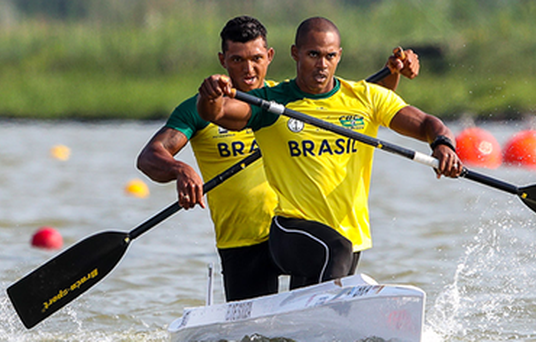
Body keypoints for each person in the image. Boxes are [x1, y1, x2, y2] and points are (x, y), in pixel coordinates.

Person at [137, 16, 420, 301]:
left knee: (322, 278)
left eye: (257, 58)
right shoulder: (204, 105)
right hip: (245, 240)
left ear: (270, 56)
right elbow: (150, 156)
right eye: (237, 60)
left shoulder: (284, 99)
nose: (248, 69)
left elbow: (355, 111)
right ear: (223, 60)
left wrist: (392, 72)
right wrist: (180, 169)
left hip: (299, 231)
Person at [197, 17, 462, 290]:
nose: (322, 64)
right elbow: (216, 113)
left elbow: (429, 124)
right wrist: (209, 96)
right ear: (295, 54)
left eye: (329, 56)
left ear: (339, 56)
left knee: (315, 294)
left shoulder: (367, 98)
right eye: (313, 55)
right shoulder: (271, 103)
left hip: (350, 233)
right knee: (335, 250)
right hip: (292, 230)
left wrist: (443, 145)